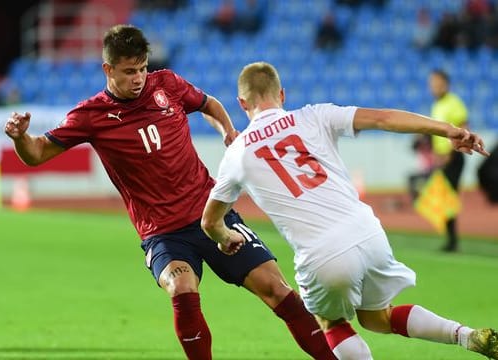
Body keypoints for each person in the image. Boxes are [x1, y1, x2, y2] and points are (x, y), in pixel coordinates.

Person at [4, 25, 336, 360]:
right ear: (108, 69)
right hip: (163, 234)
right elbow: (37, 153)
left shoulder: (167, 85)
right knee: (182, 288)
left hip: (212, 216)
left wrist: (227, 131)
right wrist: (20, 137)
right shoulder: (91, 116)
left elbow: (209, 104)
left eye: (143, 68)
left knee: (277, 290)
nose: (139, 78)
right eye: (130, 71)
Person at [201, 61, 496, 360]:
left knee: (330, 321)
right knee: (376, 318)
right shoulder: (315, 115)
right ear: (282, 94)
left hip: (322, 254)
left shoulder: (236, 154)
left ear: (241, 103)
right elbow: (383, 118)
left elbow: (210, 221)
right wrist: (447, 130)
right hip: (368, 232)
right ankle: (466, 335)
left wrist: (225, 237)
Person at [428, 69, 468, 252]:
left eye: (437, 83)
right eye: (432, 84)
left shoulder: (454, 103)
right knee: (444, 197)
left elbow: (464, 128)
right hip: (442, 158)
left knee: (448, 197)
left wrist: (450, 155)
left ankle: (452, 240)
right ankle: (450, 238)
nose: (433, 87)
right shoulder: (436, 105)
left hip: (453, 157)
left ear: (445, 84)